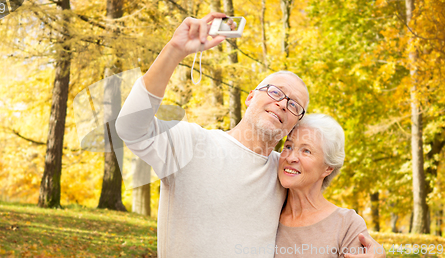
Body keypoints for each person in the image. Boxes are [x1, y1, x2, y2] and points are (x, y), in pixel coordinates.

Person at [116, 12, 384, 258]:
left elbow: (320, 216)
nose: (282, 103)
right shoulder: (193, 142)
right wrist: (173, 52)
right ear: (250, 97)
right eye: (276, 92)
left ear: (293, 126)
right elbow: (130, 127)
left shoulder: (283, 174)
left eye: (294, 105)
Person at [275, 114, 384, 257]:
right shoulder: (268, 212)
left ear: (328, 168)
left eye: (306, 151)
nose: (290, 158)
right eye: (288, 146)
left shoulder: (346, 225)